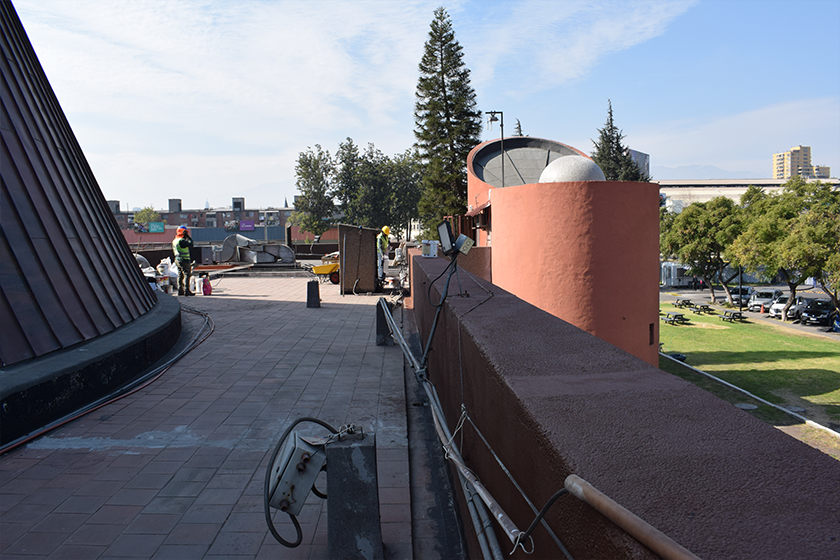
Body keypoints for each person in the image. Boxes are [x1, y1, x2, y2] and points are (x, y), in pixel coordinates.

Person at [172, 226, 195, 296]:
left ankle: (180, 290)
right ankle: (186, 290)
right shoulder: (182, 241)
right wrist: (188, 237)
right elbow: (191, 244)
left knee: (180, 275)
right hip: (184, 260)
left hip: (177, 259)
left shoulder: (175, 240)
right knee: (187, 274)